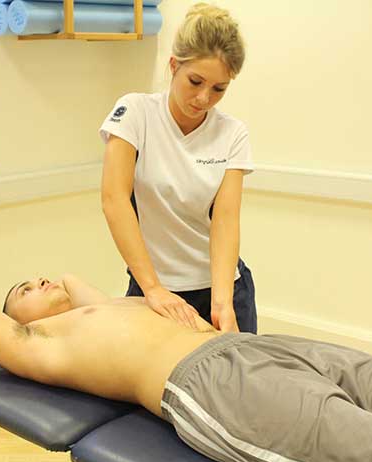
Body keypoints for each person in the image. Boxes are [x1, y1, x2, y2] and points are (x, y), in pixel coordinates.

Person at [0, 270, 372, 462]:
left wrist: (64, 286)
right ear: (16, 320)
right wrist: (6, 318)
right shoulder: (40, 344)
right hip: (212, 386)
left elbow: (77, 283)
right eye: (24, 289)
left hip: (257, 348)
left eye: (40, 274)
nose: (41, 282)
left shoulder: (106, 306)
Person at [99, 3, 256, 333]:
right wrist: (153, 289)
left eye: (218, 89)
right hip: (153, 289)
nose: (203, 98)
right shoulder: (135, 113)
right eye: (195, 81)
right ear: (173, 65)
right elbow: (114, 200)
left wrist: (223, 303)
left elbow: (225, 220)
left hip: (223, 289)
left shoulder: (232, 133)